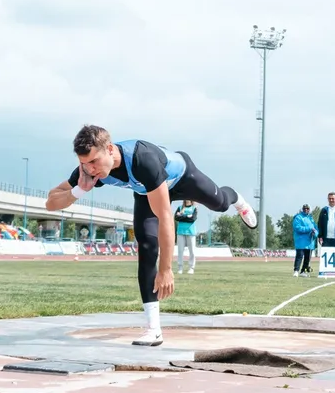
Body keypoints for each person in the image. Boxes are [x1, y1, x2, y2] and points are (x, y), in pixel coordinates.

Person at [46, 125, 256, 346]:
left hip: (183, 177)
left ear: (109, 149)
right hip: (147, 191)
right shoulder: (89, 172)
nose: (89, 169)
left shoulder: (142, 160)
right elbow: (51, 202)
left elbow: (166, 217)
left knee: (220, 203)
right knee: (146, 246)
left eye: (94, 162)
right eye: (84, 163)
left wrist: (166, 269)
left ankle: (237, 199)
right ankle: (153, 329)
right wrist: (79, 190)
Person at [315, 192, 335, 275]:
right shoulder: (324, 210)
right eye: (329, 198)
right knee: (324, 254)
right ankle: (323, 271)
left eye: (333, 198)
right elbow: (320, 223)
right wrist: (320, 236)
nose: (331, 200)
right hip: (326, 237)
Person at [174, 200, 198, 275]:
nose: (187, 199)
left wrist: (182, 216)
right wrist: (187, 216)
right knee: (180, 251)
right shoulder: (180, 208)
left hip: (191, 232)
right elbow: (176, 218)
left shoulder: (194, 208)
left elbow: (193, 219)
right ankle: (180, 268)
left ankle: (191, 268)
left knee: (192, 251)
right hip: (180, 232)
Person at [292, 204, 317, 277]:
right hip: (301, 241)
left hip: (310, 242)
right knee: (299, 256)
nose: (306, 210)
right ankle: (296, 270)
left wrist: (315, 233)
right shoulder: (298, 217)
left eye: (307, 208)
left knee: (307, 258)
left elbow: (316, 229)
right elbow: (297, 228)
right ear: (302, 209)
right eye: (304, 208)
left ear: (309, 209)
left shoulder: (311, 218)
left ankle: (303, 271)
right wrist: (309, 229)